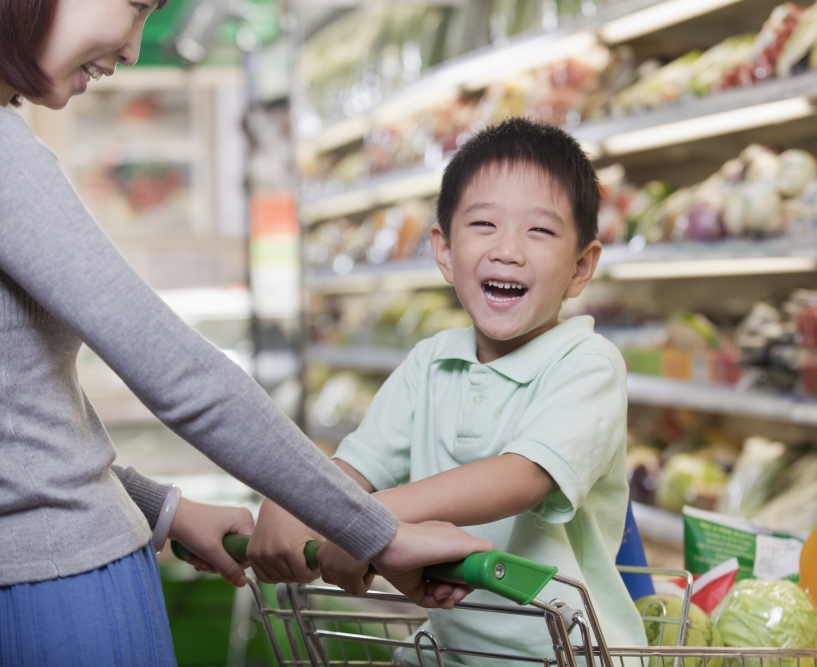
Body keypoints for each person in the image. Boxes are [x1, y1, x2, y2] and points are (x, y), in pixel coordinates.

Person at [0, 0, 491, 665]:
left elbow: (19, 420)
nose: (135, 49)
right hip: (60, 598)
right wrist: (379, 533)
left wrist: (162, 507)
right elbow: (179, 373)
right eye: (136, 6)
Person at [248, 118, 647, 665]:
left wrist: (359, 521)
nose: (508, 250)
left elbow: (522, 477)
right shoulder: (429, 363)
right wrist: (298, 500)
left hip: (572, 652)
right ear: (443, 250)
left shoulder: (588, 365)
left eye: (540, 231)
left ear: (581, 267)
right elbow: (355, 468)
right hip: (452, 650)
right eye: (483, 224)